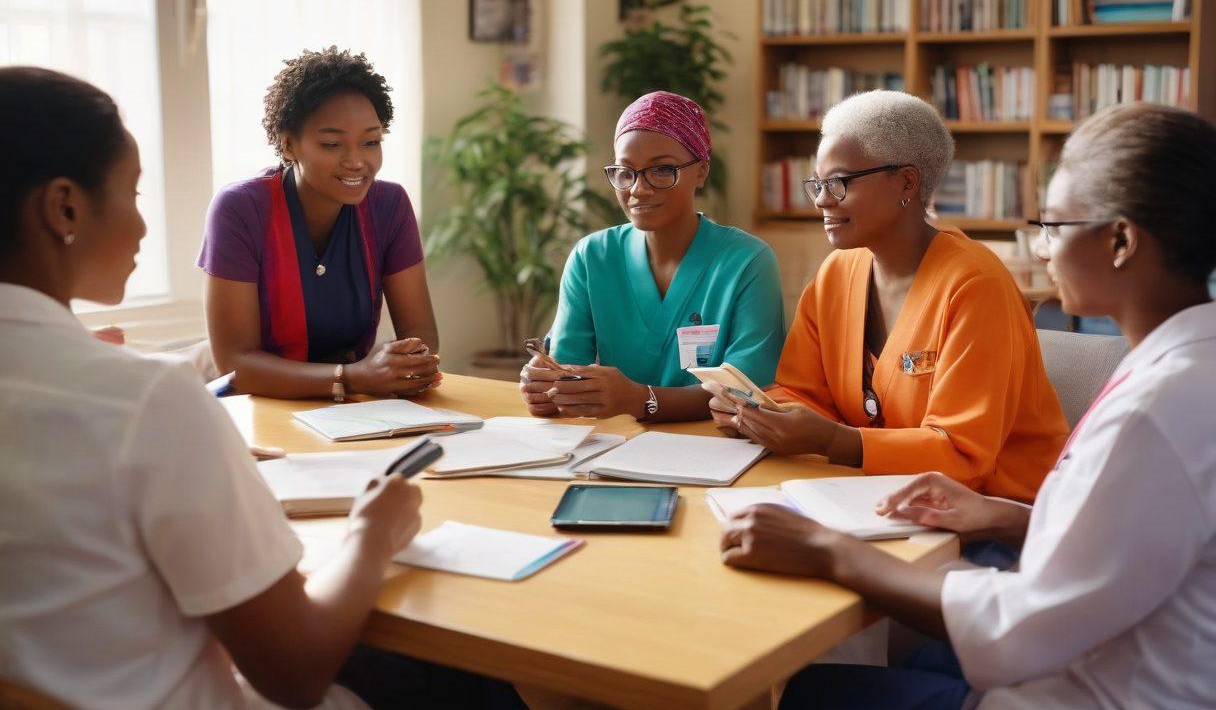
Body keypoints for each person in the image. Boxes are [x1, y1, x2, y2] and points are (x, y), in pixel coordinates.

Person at [0, 67, 521, 709]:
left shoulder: (128, 402)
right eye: (134, 194)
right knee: (470, 676)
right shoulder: (147, 400)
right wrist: (372, 533)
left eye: (371, 140)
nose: (142, 228)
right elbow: (295, 670)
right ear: (64, 208)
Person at [720, 102, 1216, 709]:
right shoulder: (1182, 367)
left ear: (1119, 240)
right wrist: (1002, 516)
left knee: (810, 692)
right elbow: (1126, 547)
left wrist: (829, 551)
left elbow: (1026, 631)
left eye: (1053, 227)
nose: (1040, 253)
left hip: (1090, 689)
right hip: (1048, 609)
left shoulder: (1153, 412)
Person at [706, 91, 1066, 503]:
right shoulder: (836, 274)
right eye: (818, 184)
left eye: (839, 183)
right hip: (872, 493)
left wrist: (835, 441)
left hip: (991, 514)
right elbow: (801, 393)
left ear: (907, 182)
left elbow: (963, 458)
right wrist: (763, 416)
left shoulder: (976, 286)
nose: (823, 200)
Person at [519, 91, 786, 422]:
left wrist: (641, 400)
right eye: (625, 171)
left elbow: (748, 392)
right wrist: (547, 390)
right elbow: (567, 374)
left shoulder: (748, 262)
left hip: (715, 449)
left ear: (701, 171)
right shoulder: (592, 258)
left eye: (662, 170)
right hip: (610, 448)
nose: (638, 189)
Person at [201, 47, 440, 400]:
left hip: (358, 412)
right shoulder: (240, 209)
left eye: (371, 142)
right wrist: (353, 376)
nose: (357, 161)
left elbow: (422, 339)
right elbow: (236, 365)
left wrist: (406, 365)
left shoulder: (389, 206)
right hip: (257, 407)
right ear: (288, 145)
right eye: (331, 144)